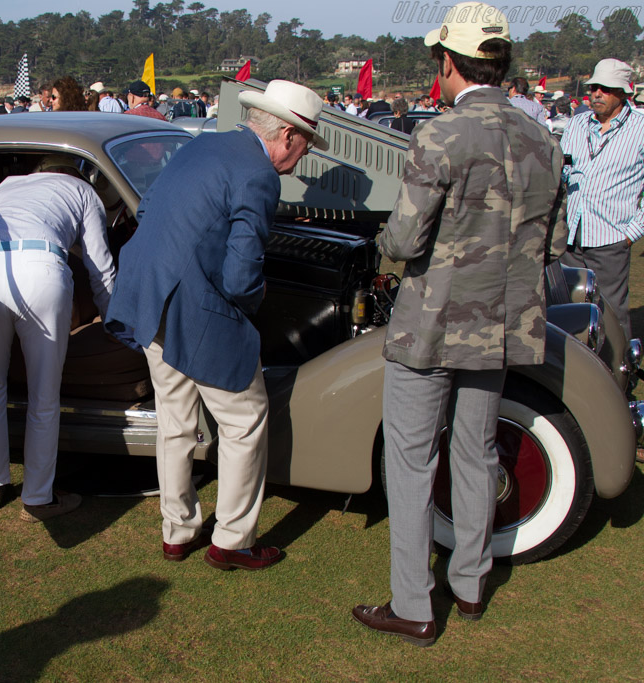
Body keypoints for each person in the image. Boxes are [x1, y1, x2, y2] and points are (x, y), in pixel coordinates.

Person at [352, 2, 567, 647]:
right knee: (475, 451)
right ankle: (470, 584)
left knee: (412, 459)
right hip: (502, 323)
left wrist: (392, 243)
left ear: (448, 62)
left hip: (433, 323)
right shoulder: (545, 139)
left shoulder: (439, 135)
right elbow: (551, 245)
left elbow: (404, 235)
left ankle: (414, 604)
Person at [104, 80, 328, 571]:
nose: (302, 156)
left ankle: (177, 530)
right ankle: (232, 540)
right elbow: (241, 275)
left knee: (176, 420)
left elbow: (150, 211)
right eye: (306, 145)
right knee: (245, 420)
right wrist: (259, 296)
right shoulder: (260, 176)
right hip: (195, 306)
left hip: (149, 294)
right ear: (288, 136)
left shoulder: (201, 144)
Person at [0, 156, 116, 522]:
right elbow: (100, 266)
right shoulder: (84, 192)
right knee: (45, 395)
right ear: (73, 175)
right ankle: (38, 498)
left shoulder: (7, 185)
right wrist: (114, 322)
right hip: (43, 271)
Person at [560, 58, 644, 341]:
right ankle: (578, 376)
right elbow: (561, 170)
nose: (596, 93)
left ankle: (620, 376)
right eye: (594, 87)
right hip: (571, 235)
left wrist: (631, 233)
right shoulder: (577, 123)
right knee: (570, 308)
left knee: (612, 314)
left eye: (605, 88)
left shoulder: (641, 128)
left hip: (610, 238)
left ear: (622, 92)